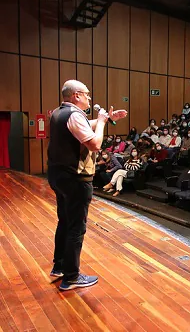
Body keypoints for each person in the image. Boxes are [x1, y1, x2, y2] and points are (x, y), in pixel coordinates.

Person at [48, 79, 127, 290]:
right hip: (76, 179)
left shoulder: (59, 113)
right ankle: (72, 277)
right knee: (76, 227)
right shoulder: (74, 115)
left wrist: (107, 118)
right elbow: (95, 144)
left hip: (58, 175)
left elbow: (80, 126)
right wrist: (101, 122)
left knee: (64, 221)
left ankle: (60, 266)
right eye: (86, 94)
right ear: (76, 95)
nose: (89, 97)